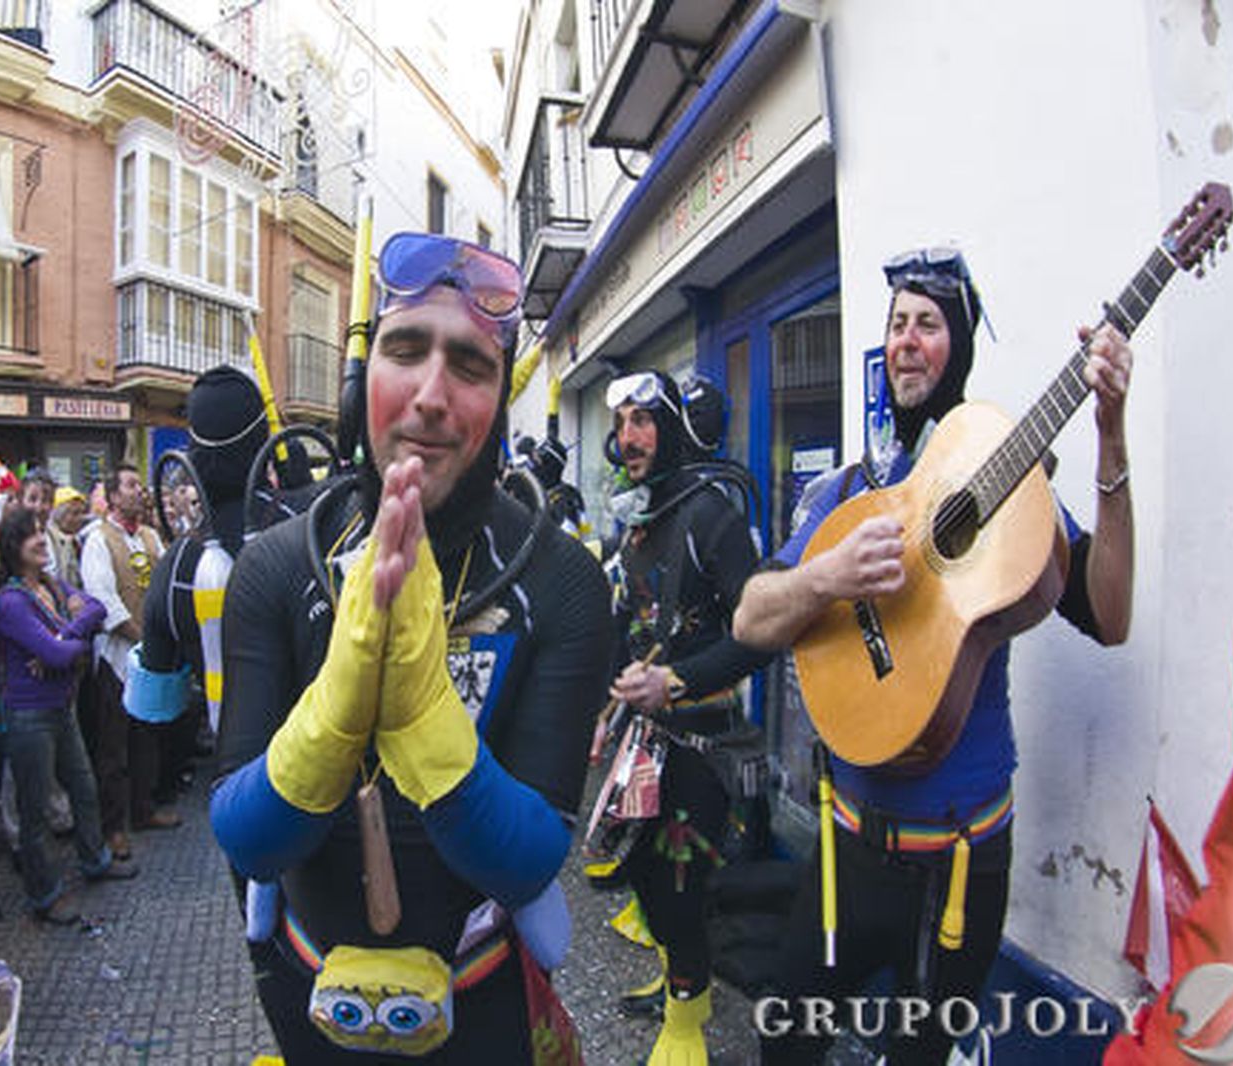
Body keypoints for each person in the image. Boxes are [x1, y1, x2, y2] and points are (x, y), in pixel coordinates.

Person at [208, 232, 613, 1062]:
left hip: (481, 998)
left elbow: (532, 858)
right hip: (311, 993)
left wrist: (423, 714)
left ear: (500, 401)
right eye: (405, 350)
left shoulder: (564, 579)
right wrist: (339, 704)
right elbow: (246, 841)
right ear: (362, 383)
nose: (431, 394)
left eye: (469, 365)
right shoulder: (275, 565)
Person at [732, 248, 1133, 1066]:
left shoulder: (1016, 497)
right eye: (898, 324)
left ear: (960, 349)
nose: (909, 340)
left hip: (963, 863)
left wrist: (1110, 434)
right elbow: (749, 618)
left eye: (930, 323)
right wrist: (824, 577)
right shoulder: (844, 497)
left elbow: (1111, 613)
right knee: (785, 1041)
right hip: (846, 854)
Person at [598, 368, 770, 1064]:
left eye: (643, 421)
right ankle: (683, 988)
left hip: (700, 742)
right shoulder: (639, 519)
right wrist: (602, 709)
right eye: (622, 424)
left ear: (670, 428)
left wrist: (676, 679)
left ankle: (687, 1028)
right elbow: (625, 622)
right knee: (642, 877)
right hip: (643, 739)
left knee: (678, 886)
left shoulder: (712, 517)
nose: (629, 436)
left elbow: (761, 636)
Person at [0, 506, 137, 924]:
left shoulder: (52, 585)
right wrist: (63, 644)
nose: (42, 540)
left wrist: (62, 637)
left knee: (84, 787)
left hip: (60, 707)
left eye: (41, 532)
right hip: (29, 717)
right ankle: (44, 894)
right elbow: (58, 652)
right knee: (35, 812)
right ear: (13, 548)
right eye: (31, 535)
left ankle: (95, 860)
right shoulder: (11, 601)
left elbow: (94, 611)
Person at [125, 366, 269, 791]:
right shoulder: (311, 526)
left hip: (238, 787)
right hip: (331, 772)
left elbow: (152, 705)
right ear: (263, 440)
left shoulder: (177, 568)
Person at [80, 462, 175, 860]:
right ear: (114, 495)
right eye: (131, 486)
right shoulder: (98, 540)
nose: (139, 491)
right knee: (114, 748)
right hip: (117, 658)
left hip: (150, 659)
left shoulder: (153, 537)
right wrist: (142, 637)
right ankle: (114, 826)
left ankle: (143, 808)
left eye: (140, 485)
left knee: (145, 736)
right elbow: (103, 600)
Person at [47, 485, 89, 590]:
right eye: (75, 513)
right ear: (59, 515)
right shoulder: (48, 539)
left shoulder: (78, 540)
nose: (80, 518)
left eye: (82, 512)